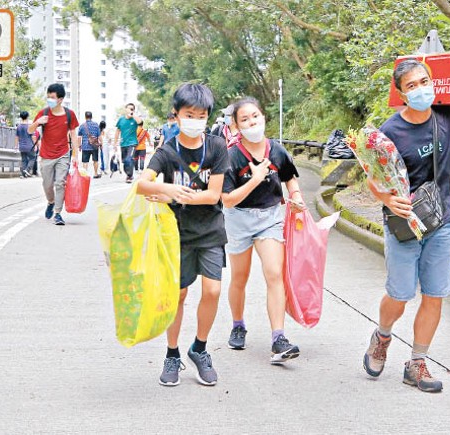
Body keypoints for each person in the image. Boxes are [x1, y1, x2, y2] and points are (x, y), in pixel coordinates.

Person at [362, 47, 450, 393]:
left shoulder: (447, 115)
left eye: (425, 81)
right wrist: (386, 199)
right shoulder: (389, 130)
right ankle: (382, 336)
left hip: (441, 220)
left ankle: (417, 363)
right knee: (399, 295)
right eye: (412, 84)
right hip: (404, 224)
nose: (422, 88)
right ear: (402, 92)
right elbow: (373, 178)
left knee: (435, 294)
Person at [136, 83, 229, 387]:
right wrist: (164, 188)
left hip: (211, 231)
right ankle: (172, 354)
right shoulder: (166, 151)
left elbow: (214, 195)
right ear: (175, 115)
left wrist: (174, 197)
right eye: (190, 114)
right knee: (178, 295)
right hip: (176, 234)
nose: (196, 120)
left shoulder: (215, 147)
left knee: (213, 291)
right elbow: (142, 184)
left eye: (202, 115)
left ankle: (199, 349)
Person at [222, 97, 306, 363]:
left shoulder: (277, 151)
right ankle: (238, 324)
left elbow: (290, 180)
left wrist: (297, 198)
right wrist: (255, 179)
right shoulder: (231, 156)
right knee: (240, 277)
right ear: (235, 125)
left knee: (273, 274)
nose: (252, 122)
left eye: (255, 116)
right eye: (244, 119)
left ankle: (278, 338)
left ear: (264, 117)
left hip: (270, 218)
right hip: (238, 219)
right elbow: (227, 199)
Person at [28, 83, 80, 226]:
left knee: (60, 183)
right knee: (47, 184)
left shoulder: (69, 115)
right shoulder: (43, 113)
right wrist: (38, 122)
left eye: (52, 97)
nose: (49, 100)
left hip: (63, 154)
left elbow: (74, 135)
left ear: (60, 99)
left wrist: (75, 155)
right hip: (46, 155)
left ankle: (58, 213)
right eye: (48, 97)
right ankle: (50, 202)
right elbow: (30, 131)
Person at [114, 103, 142, 183]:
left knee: (129, 158)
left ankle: (129, 176)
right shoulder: (121, 119)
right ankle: (129, 174)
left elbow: (140, 122)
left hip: (132, 143)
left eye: (132, 109)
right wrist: (115, 143)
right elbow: (117, 131)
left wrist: (133, 115)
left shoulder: (135, 119)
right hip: (123, 144)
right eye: (129, 108)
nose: (130, 110)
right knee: (124, 161)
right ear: (125, 109)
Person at [77, 111, 102, 178]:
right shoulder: (96, 125)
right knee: (95, 160)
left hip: (85, 146)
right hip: (95, 146)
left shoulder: (82, 126)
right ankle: (96, 174)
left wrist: (79, 146)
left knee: (85, 162)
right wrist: (101, 144)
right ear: (91, 117)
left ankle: (85, 175)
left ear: (85, 117)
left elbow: (79, 137)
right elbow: (99, 136)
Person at [15, 111, 37, 178]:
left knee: (24, 160)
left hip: (21, 146)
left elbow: (17, 137)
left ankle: (23, 174)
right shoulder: (29, 126)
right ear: (27, 117)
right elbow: (33, 137)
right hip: (29, 146)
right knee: (33, 158)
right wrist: (35, 145)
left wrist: (16, 146)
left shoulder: (18, 127)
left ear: (21, 117)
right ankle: (27, 170)